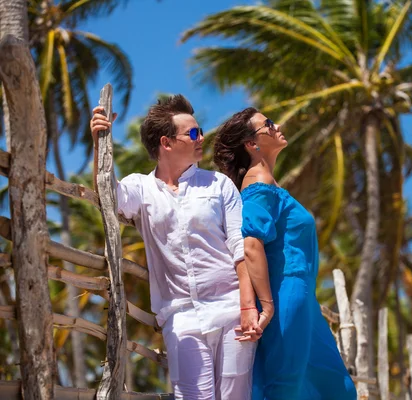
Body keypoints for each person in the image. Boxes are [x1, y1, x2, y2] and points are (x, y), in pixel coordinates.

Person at [90, 95, 266, 400]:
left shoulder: (219, 185)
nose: (202, 138)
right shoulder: (140, 188)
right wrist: (99, 142)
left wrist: (248, 307)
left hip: (231, 309)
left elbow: (239, 246)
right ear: (166, 143)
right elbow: (109, 195)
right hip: (180, 316)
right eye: (194, 133)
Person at [213, 108, 357, 400]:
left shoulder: (270, 183)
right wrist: (267, 306)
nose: (276, 125)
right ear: (251, 144)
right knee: (286, 386)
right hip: (285, 295)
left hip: (304, 299)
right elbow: (250, 244)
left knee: (337, 388)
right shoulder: (258, 184)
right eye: (267, 124)